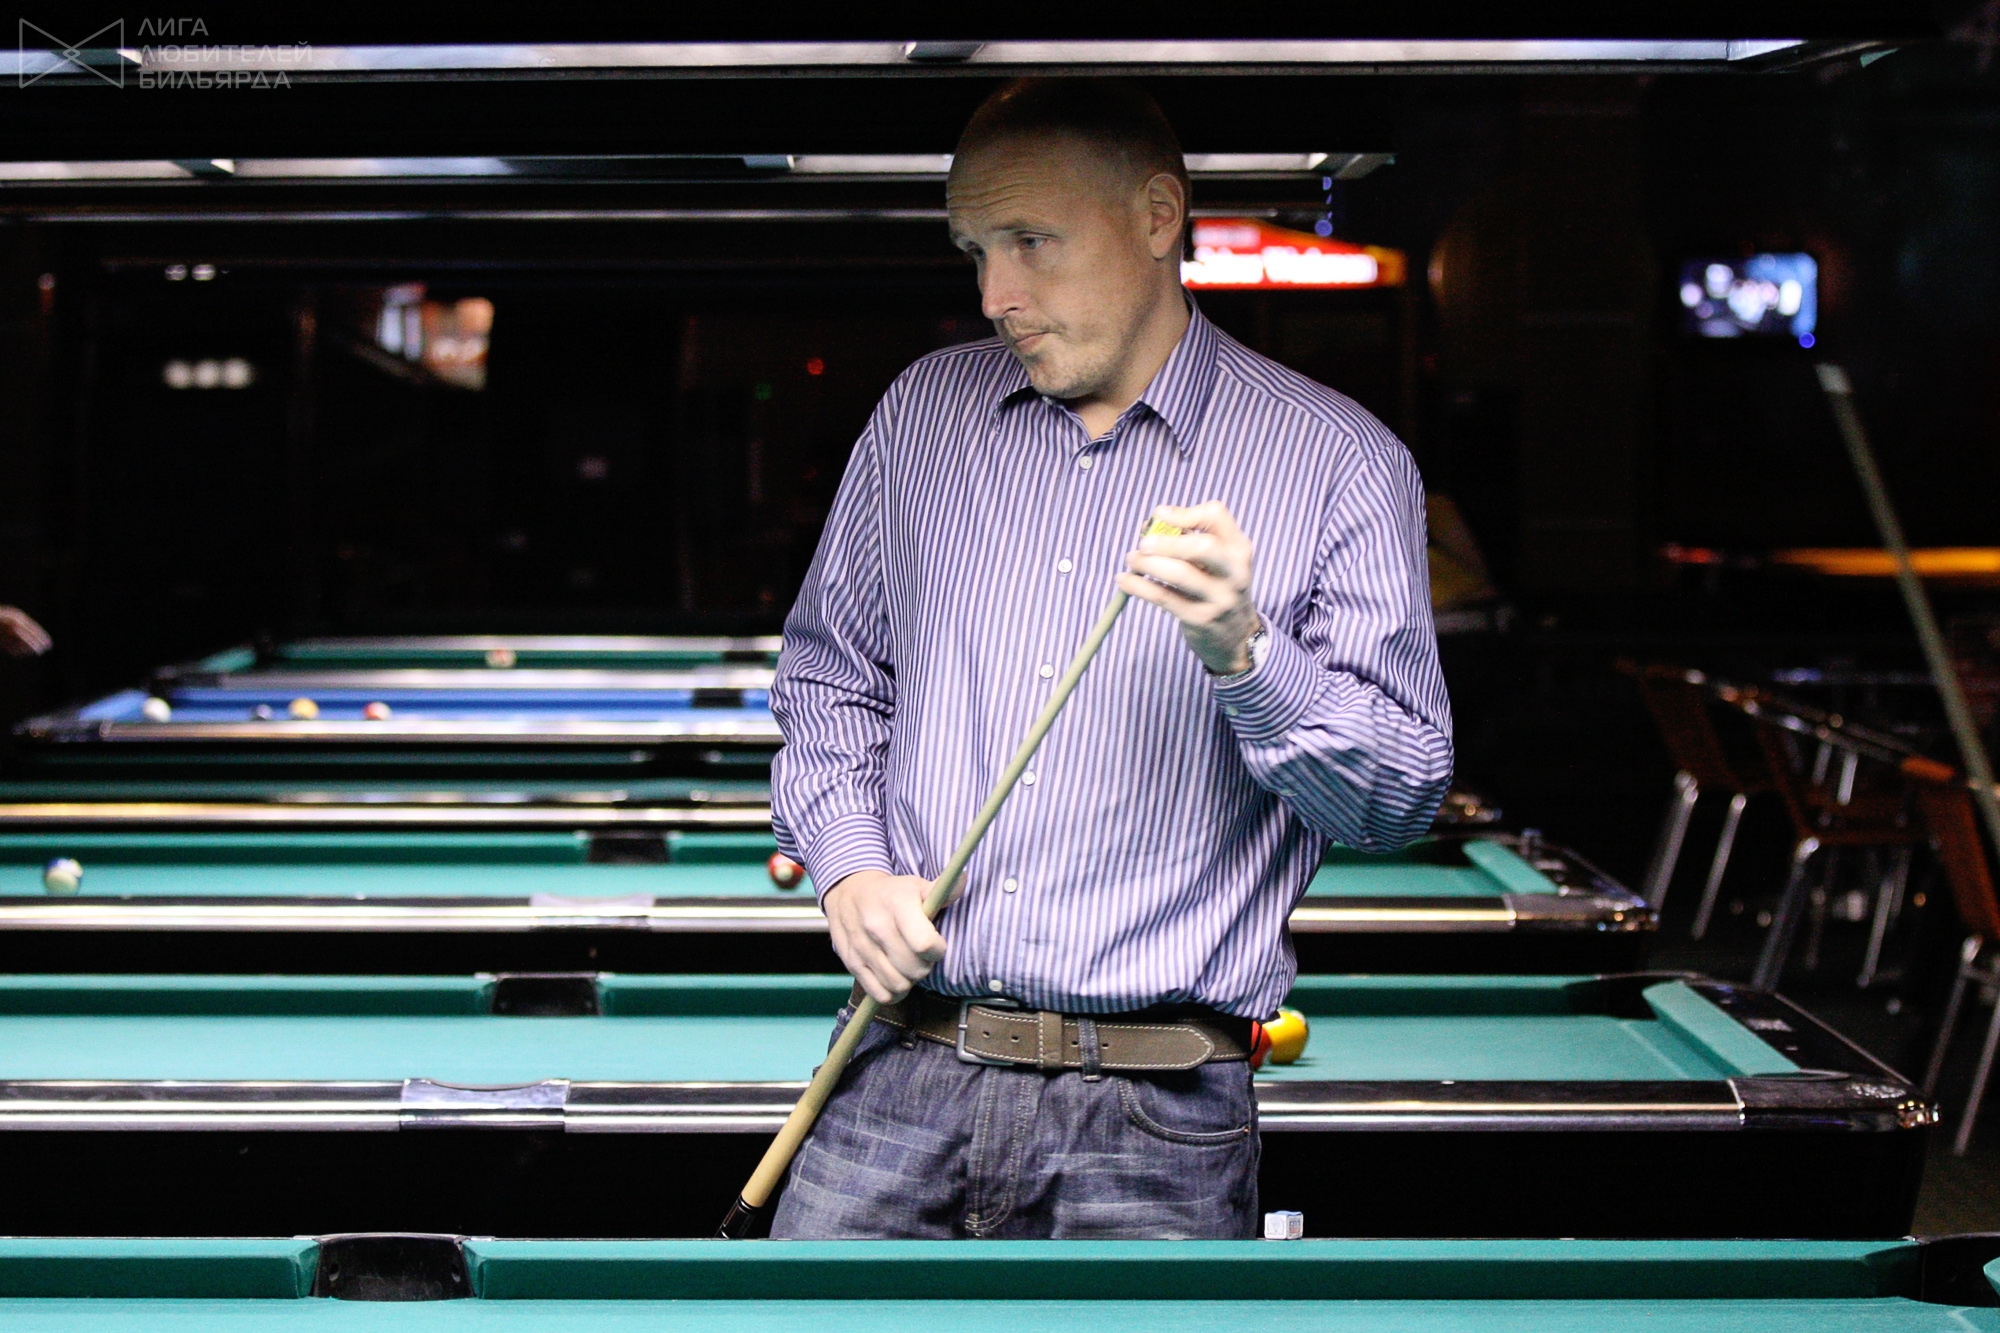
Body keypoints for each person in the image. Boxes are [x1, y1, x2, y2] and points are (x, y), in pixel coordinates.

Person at [767, 78, 1452, 1240]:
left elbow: (1397, 797)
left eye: (1030, 241)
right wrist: (849, 870)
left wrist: (1246, 654)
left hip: (1156, 1116)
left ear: (1156, 217)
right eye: (975, 250)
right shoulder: (921, 416)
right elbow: (830, 680)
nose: (994, 294)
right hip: (894, 1073)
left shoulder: (1340, 460)